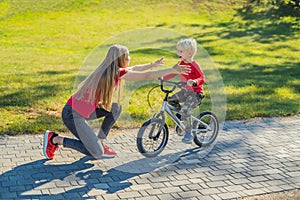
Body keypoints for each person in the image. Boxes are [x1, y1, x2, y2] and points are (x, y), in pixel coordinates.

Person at [43, 44, 190, 160]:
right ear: (121, 58)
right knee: (96, 153)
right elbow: (146, 75)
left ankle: (100, 140)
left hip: (81, 112)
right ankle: (55, 139)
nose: (130, 58)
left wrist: (152, 64)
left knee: (115, 108)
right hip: (73, 115)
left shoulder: (110, 69)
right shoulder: (115, 72)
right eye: (128, 56)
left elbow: (136, 68)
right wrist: (172, 69)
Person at [163, 38, 205, 144]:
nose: (178, 53)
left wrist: (194, 82)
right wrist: (163, 77)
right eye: (178, 51)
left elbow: (202, 78)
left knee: (186, 109)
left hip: (196, 94)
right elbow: (174, 72)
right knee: (170, 100)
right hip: (185, 92)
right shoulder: (181, 63)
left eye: (181, 51)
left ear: (190, 53)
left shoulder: (194, 64)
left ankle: (188, 133)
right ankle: (183, 116)